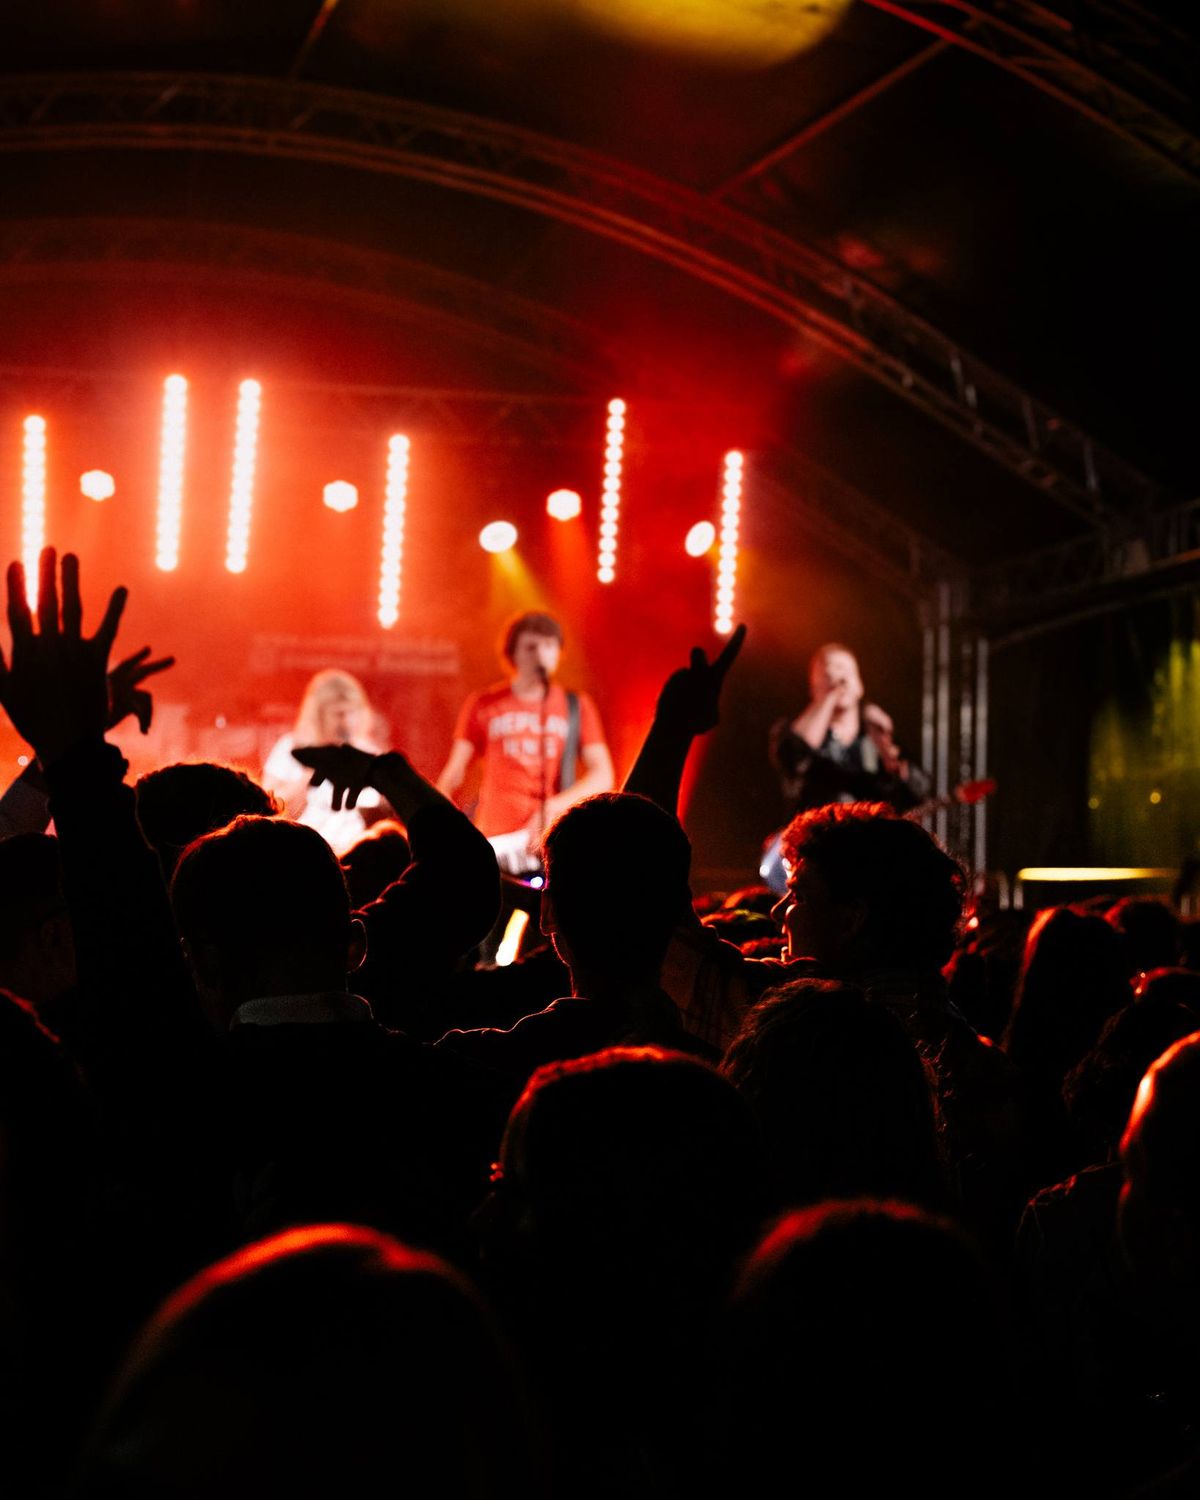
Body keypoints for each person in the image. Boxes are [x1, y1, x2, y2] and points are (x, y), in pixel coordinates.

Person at [437, 612, 613, 874]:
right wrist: (431, 814)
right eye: (531, 647)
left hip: (550, 838)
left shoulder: (576, 706)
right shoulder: (484, 704)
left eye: (550, 646)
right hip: (496, 837)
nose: (541, 654)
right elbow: (455, 773)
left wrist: (552, 807)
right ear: (513, 654)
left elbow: (603, 775)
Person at [262, 669, 385, 855]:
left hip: (352, 858)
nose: (348, 721)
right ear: (318, 714)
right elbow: (266, 811)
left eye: (353, 712)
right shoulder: (289, 749)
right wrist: (311, 770)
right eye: (339, 714)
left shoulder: (368, 753)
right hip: (300, 854)